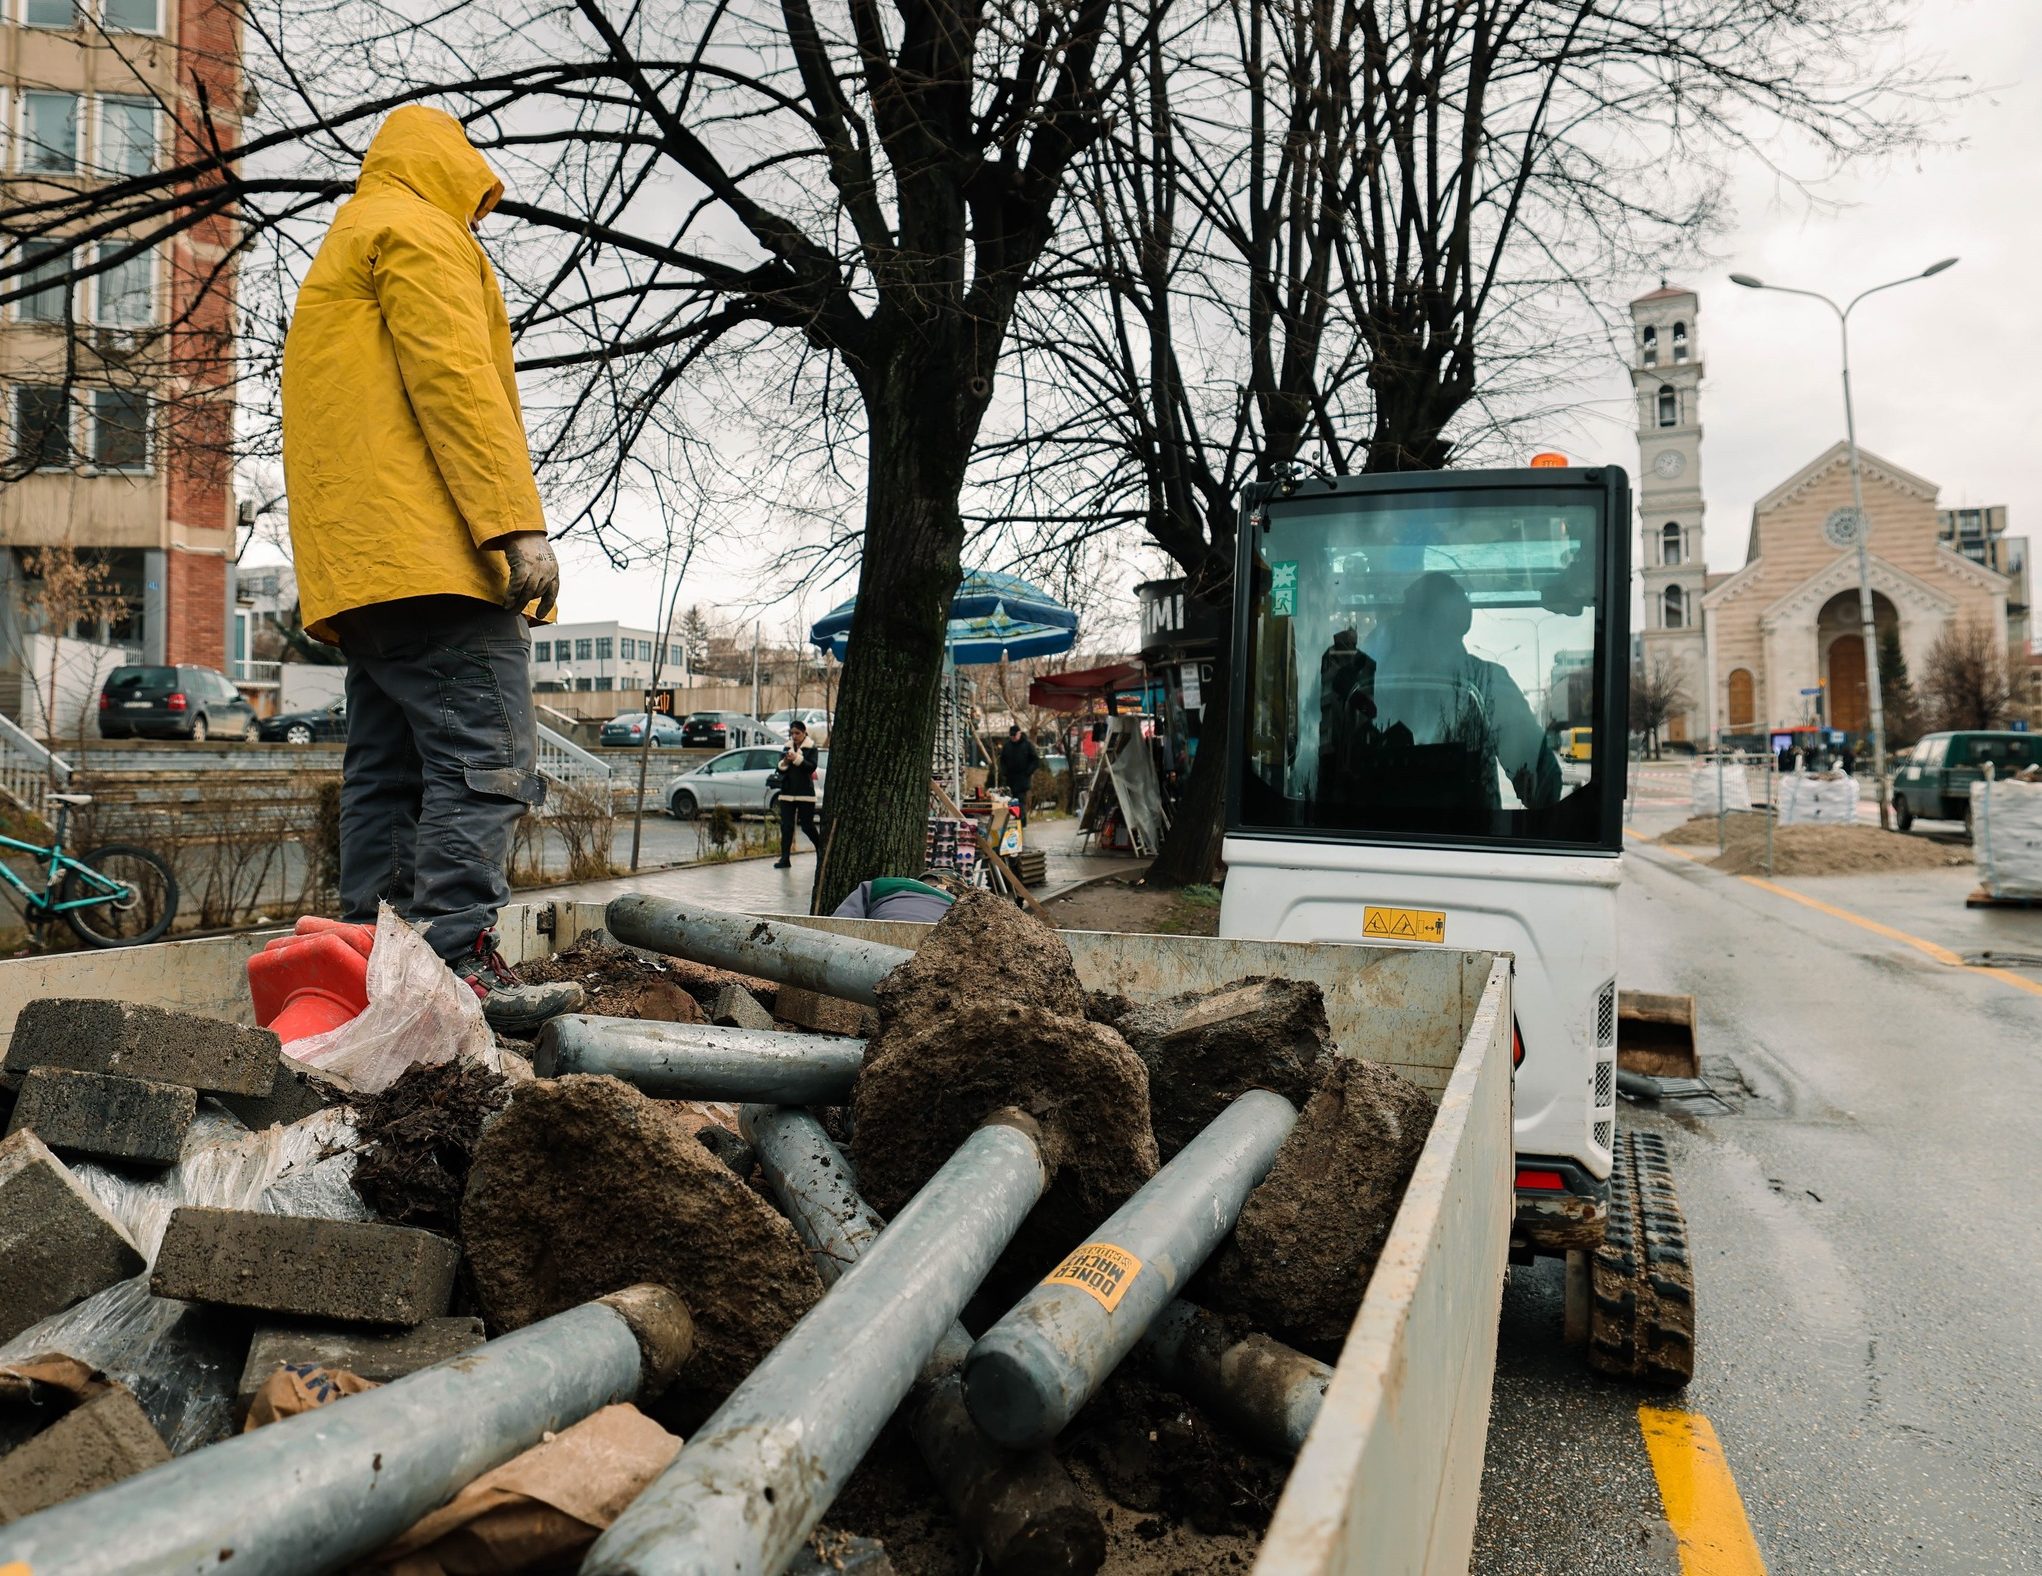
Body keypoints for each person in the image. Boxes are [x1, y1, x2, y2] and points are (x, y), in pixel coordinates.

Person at [281, 105, 580, 1033]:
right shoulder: (417, 230)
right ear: (450, 167)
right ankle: (447, 966)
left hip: (361, 573)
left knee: (389, 771)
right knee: (488, 756)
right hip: (433, 559)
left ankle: (366, 965)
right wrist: (513, 525)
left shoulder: (344, 245)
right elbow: (456, 380)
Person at [1363, 571, 1562, 812]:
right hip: (1473, 840)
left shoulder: (1369, 676)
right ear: (1462, 621)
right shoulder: (1488, 680)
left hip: (1364, 836)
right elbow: (1543, 781)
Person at [774, 720, 823, 868]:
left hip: (805, 793)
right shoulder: (787, 747)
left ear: (804, 733)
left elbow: (811, 767)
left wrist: (797, 759)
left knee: (807, 826)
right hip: (787, 793)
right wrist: (785, 762)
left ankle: (821, 850)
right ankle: (785, 858)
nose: (794, 736)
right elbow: (780, 768)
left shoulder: (811, 749)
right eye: (792, 733)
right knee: (786, 826)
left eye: (797, 733)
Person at [999, 724, 1040, 825]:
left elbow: (1035, 760)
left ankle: (1021, 822)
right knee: (1011, 801)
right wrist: (1004, 772)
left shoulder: (1027, 745)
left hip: (1023, 778)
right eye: (1011, 736)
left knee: (1020, 801)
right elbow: (1002, 760)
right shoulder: (1007, 746)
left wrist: (1028, 772)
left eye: (1015, 735)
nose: (1013, 737)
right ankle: (1015, 821)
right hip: (1010, 778)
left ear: (1019, 734)